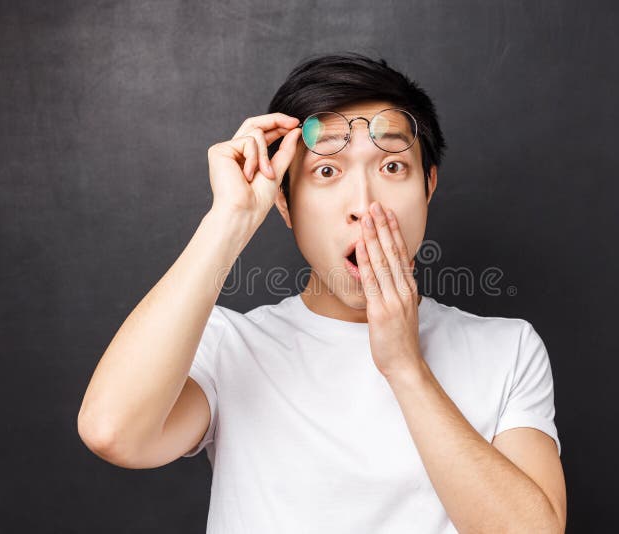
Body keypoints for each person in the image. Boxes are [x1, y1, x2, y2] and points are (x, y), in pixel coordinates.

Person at [78, 52, 567, 533]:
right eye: (327, 172)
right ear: (285, 206)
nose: (363, 204)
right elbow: (113, 432)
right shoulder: (231, 346)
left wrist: (405, 366)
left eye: (392, 168)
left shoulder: (508, 349)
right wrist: (229, 219)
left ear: (428, 186)